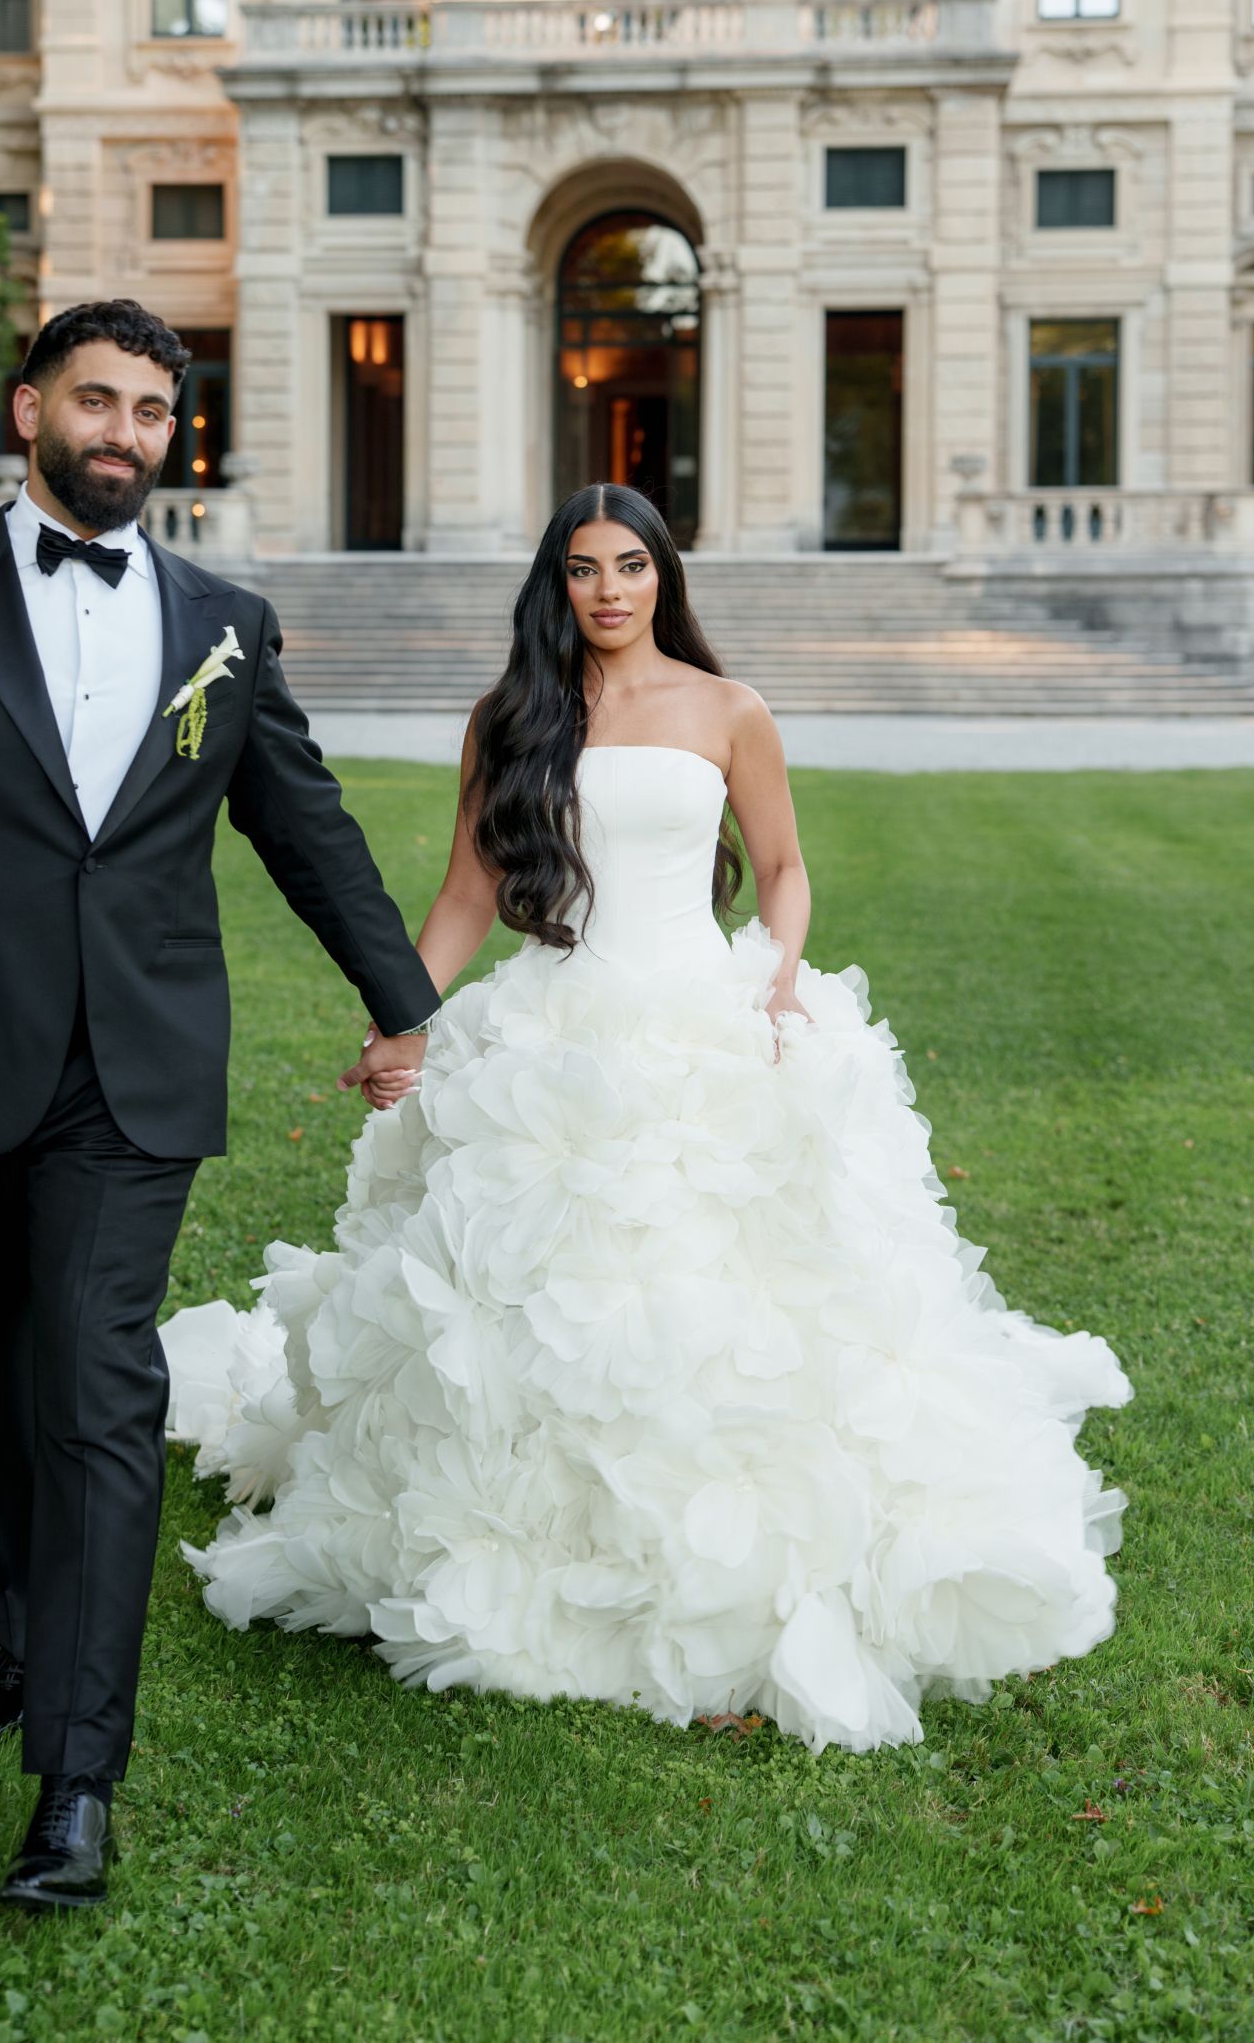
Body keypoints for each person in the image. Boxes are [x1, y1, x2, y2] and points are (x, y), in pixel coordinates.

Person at [163, 483, 1132, 1752]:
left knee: (733, 1291)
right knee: (534, 1292)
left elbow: (780, 868)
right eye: (583, 568)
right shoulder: (511, 717)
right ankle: (542, 1542)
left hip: (702, 1009)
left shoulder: (730, 710)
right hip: (555, 1030)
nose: (609, 589)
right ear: (554, 583)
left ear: (664, 575)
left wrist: (778, 975)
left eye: (631, 565)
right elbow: (466, 892)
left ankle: (735, 1548)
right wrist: (402, 1019)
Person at [0, 299, 439, 1910]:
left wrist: (406, 1000)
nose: (125, 433)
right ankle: (21, 1624)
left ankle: (76, 1777)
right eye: (98, 402)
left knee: (96, 1381)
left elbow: (306, 825)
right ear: (31, 408)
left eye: (151, 411)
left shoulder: (224, 622)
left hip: (137, 1065)